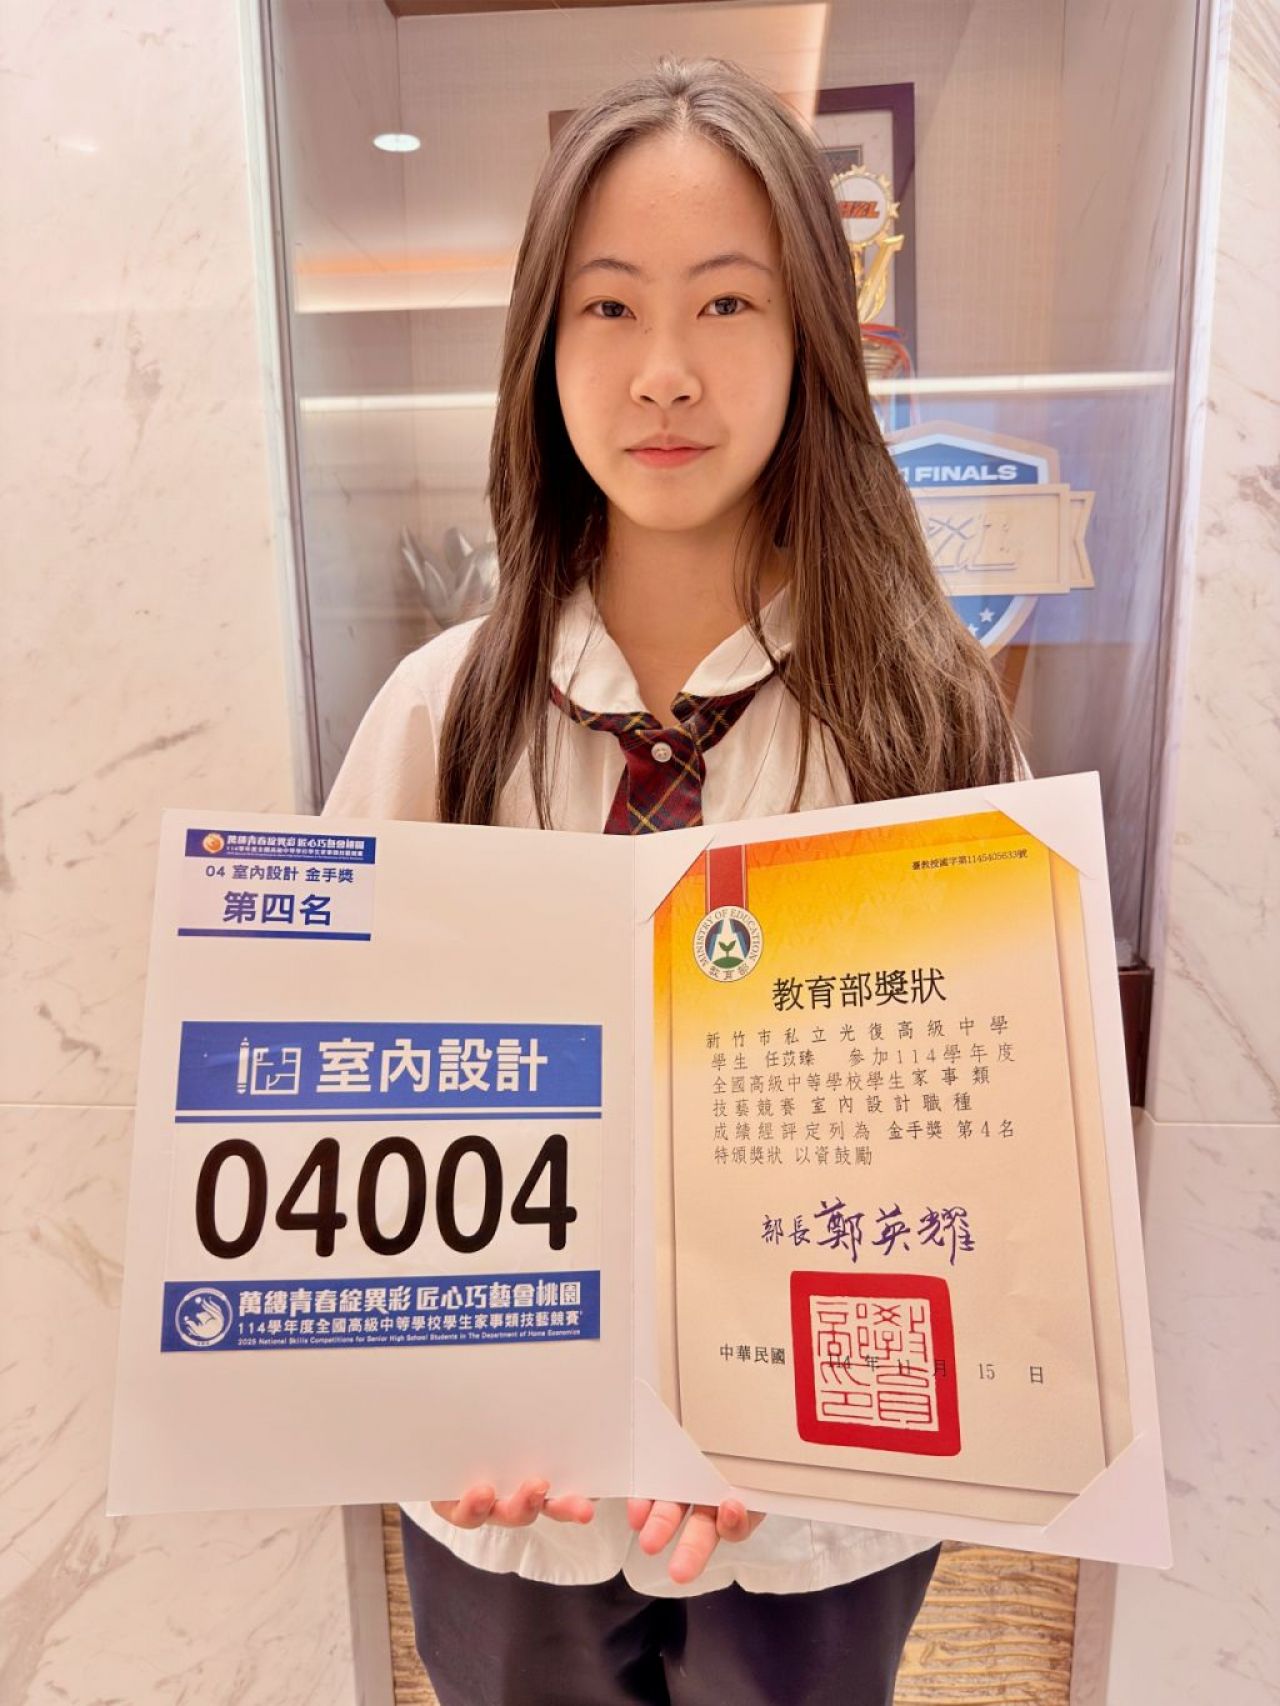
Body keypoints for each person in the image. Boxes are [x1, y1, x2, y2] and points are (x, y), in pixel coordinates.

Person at [324, 53, 1022, 1706]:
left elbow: (993, 1150)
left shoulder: (926, 718)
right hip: (514, 1498)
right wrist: (430, 1379)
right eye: (609, 307)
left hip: (822, 1498)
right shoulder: (439, 712)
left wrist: (799, 1411)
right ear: (542, 345)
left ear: (811, 337)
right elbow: (339, 1120)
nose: (663, 372)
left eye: (726, 303)